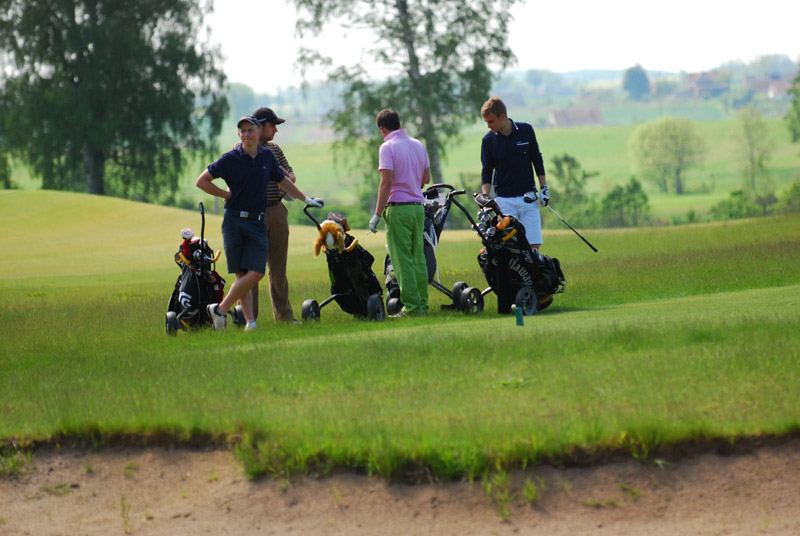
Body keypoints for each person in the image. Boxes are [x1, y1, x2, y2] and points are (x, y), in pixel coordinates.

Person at [196, 116, 323, 331]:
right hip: (234, 220)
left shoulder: (267, 155)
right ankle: (250, 323)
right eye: (243, 131)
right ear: (239, 134)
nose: (247, 134)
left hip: (256, 221)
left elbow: (282, 180)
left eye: (250, 130)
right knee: (242, 274)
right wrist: (226, 195)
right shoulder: (230, 158)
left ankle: (220, 309)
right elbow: (202, 181)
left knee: (256, 272)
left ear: (258, 132)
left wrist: (305, 199)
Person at [368, 109, 431, 317]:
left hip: (398, 209)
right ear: (399, 123)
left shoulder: (387, 147)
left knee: (402, 260)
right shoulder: (418, 144)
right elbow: (426, 179)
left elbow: (386, 182)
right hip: (418, 208)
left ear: (382, 129)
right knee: (418, 257)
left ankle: (411, 307)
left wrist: (377, 214)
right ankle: (422, 304)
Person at [240, 106, 298, 324]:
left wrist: (285, 175)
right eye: (272, 125)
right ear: (261, 126)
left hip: (277, 210)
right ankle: (250, 319)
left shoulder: (275, 149)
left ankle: (285, 317)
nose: (275, 130)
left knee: (278, 268)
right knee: (252, 269)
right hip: (253, 213)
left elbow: (291, 175)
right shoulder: (242, 149)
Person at [480, 96, 550, 251]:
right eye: (486, 122)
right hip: (504, 201)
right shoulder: (488, 140)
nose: (488, 126)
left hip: (528, 198)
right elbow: (487, 170)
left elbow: (537, 159)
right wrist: (485, 197)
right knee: (510, 248)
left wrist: (544, 187)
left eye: (491, 121)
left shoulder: (526, 130)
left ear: (502, 117)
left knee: (533, 247)